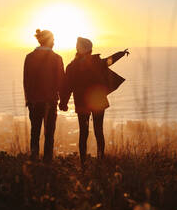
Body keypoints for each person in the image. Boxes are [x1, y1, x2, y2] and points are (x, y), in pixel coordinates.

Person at [59, 37, 129, 166]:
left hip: (81, 103)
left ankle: (83, 162)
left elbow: (67, 86)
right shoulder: (96, 63)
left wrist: (63, 102)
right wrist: (121, 53)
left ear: (78, 49)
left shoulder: (71, 67)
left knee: (83, 133)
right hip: (98, 102)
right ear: (89, 50)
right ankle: (101, 159)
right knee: (98, 130)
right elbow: (110, 61)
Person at [23, 29, 64, 163]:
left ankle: (34, 160)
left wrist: (28, 100)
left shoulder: (29, 57)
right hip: (50, 102)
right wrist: (62, 101)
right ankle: (47, 162)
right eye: (53, 39)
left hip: (34, 102)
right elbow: (61, 82)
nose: (55, 42)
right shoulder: (57, 58)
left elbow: (26, 81)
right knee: (49, 134)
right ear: (48, 41)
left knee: (34, 133)